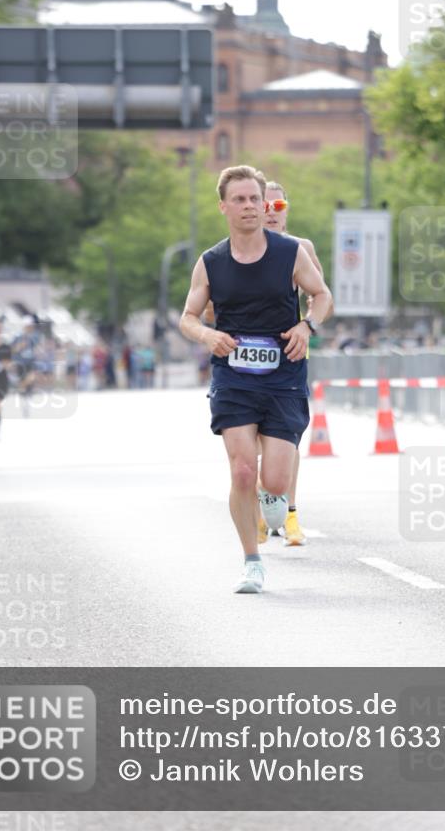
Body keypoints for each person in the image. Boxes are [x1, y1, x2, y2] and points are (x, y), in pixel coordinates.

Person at [180, 165, 333, 594]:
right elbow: (188, 317)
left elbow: (322, 296)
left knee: (276, 483)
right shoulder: (211, 262)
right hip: (234, 376)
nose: (250, 206)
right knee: (243, 470)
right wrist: (207, 334)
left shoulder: (290, 253)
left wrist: (307, 327)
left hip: (284, 374)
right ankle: (252, 562)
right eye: (240, 199)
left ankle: (273, 501)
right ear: (224, 206)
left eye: (255, 199)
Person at [258, 180, 331, 547]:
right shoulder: (241, 250)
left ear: (287, 209)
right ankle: (261, 508)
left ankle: (289, 514)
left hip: (289, 353)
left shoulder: (302, 248)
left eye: (279, 206)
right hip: (248, 357)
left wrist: (307, 325)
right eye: (265, 205)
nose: (272, 213)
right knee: (254, 444)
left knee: (287, 441)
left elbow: (320, 295)